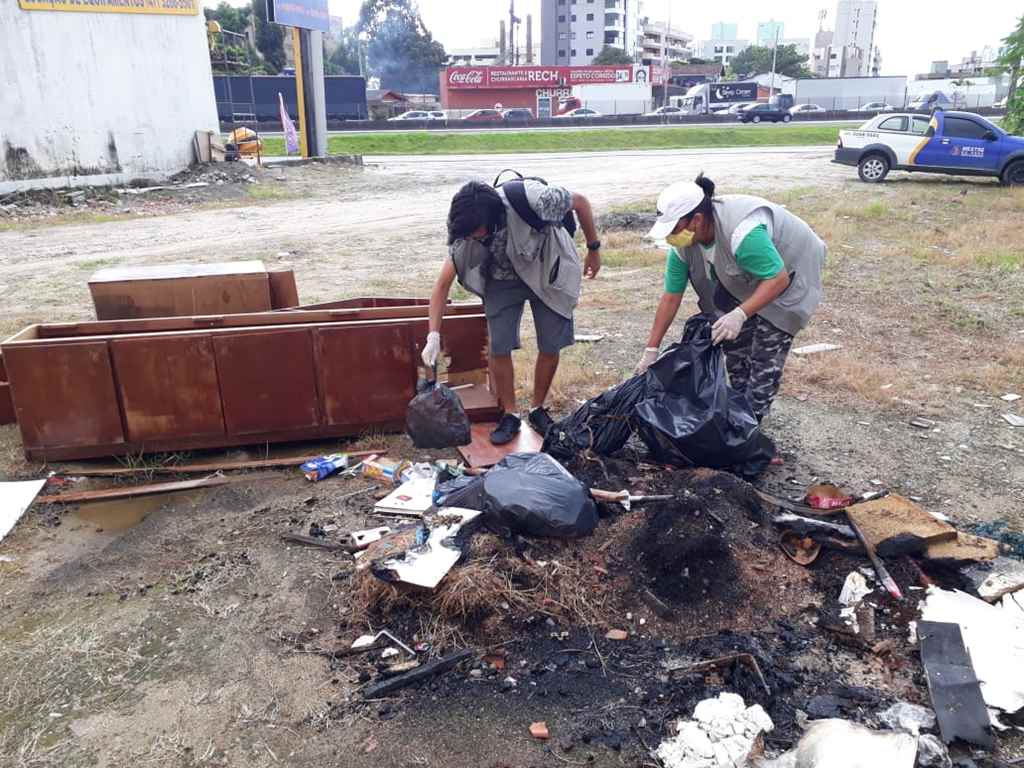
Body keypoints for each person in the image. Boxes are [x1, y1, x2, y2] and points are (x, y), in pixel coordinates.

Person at [424, 177, 602, 445]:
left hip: (544, 268)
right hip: (501, 279)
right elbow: (441, 287)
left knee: (551, 342)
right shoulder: (464, 231)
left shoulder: (534, 200)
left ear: (494, 218)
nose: (473, 237)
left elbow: (580, 202)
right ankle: (510, 415)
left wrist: (594, 248)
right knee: (499, 344)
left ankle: (537, 409)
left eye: (478, 232)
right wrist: (433, 336)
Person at [636, 174, 826, 423]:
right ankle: (739, 415)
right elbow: (671, 298)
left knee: (764, 358)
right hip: (748, 276)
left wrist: (740, 314)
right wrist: (651, 349)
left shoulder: (742, 231)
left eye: (674, 228)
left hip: (790, 271)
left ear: (697, 219)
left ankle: (750, 429)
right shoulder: (683, 247)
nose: (671, 236)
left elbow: (777, 279)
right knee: (735, 349)